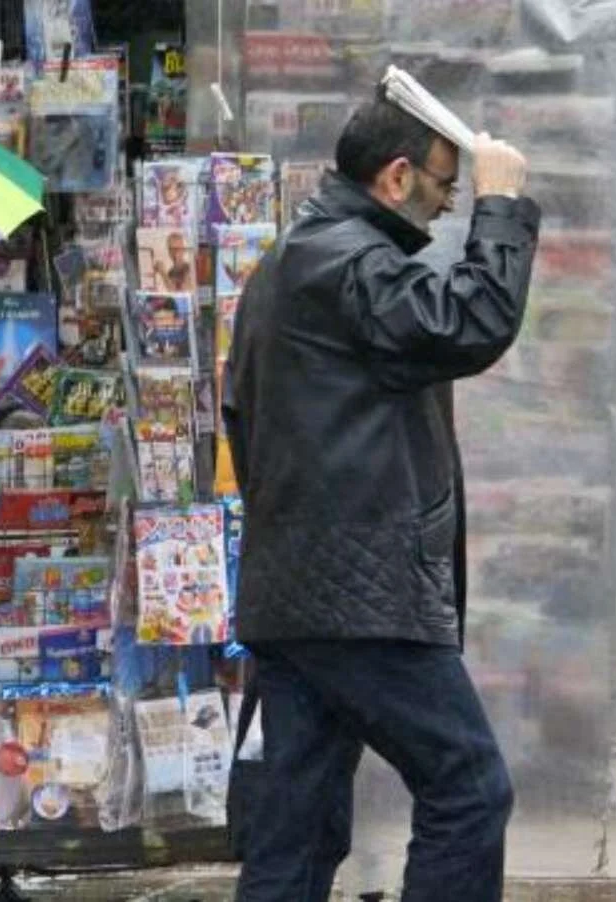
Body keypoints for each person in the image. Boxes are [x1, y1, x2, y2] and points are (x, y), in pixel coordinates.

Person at [222, 99, 539, 902]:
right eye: (444, 187)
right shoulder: (349, 262)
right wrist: (500, 209)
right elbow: (470, 323)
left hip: (296, 595)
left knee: (296, 829)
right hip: (361, 598)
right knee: (468, 787)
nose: (447, 207)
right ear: (396, 176)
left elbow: (243, 421)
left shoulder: (298, 259)